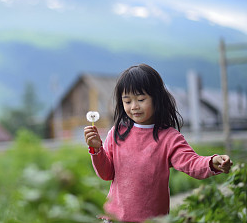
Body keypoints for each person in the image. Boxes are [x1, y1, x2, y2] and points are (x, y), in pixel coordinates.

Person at [84, 64, 233, 223]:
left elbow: (192, 163)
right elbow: (106, 173)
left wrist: (212, 162)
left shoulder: (169, 138)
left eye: (141, 99)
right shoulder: (116, 133)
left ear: (157, 99)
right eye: (127, 101)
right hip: (113, 218)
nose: (134, 106)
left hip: (153, 220)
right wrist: (96, 148)